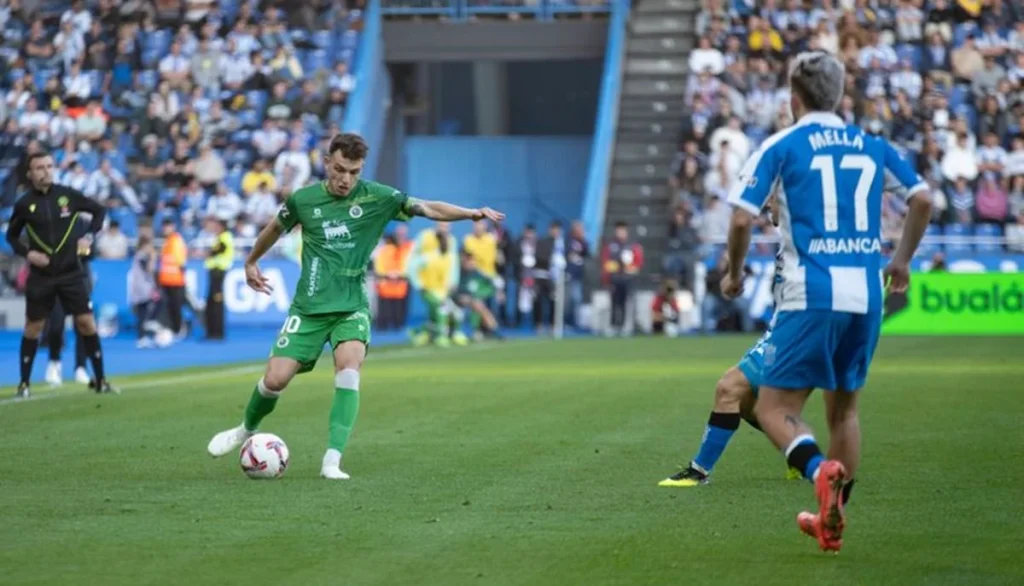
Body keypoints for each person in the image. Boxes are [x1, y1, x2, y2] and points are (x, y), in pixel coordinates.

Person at [720, 51, 932, 552]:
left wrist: (732, 275)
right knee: (845, 413)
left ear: (795, 98)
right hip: (866, 293)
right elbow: (922, 198)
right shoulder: (872, 144)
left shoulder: (782, 144)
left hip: (810, 291)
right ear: (840, 96)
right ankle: (831, 521)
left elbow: (740, 218)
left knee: (774, 408)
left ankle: (818, 470)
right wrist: (900, 261)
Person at [206, 133, 505, 479]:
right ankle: (245, 429)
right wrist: (250, 262)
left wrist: (470, 213)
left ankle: (332, 460)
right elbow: (275, 227)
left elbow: (427, 207)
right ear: (327, 163)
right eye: (339, 169)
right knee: (274, 380)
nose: (346, 178)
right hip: (308, 308)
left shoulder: (379, 197)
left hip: (351, 306)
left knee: (349, 367)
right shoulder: (304, 200)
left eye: (354, 171)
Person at [5, 151, 116, 397]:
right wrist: (27, 253)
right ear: (30, 173)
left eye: (48, 166)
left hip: (71, 273)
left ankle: (100, 380)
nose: (45, 171)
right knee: (34, 327)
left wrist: (88, 236)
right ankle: (24, 384)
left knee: (86, 323)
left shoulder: (67, 196)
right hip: (41, 276)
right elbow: (11, 236)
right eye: (39, 168)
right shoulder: (24, 204)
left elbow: (99, 212)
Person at [43, 216, 94, 387]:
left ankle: (81, 367)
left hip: (78, 281)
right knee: (56, 325)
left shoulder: (83, 224)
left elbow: (91, 252)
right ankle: (54, 362)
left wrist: (82, 249)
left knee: (82, 326)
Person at [203, 217, 234, 340]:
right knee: (212, 302)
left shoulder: (225, 237)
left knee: (216, 302)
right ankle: (212, 331)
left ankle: (217, 332)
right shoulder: (221, 238)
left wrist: (209, 253)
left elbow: (218, 250)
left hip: (218, 272)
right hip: (215, 272)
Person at [158, 217, 188, 339]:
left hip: (175, 280)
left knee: (176, 306)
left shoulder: (176, 240)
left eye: (168, 226)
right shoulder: (167, 241)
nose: (165, 229)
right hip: (166, 279)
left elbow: (181, 260)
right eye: (164, 226)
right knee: (170, 307)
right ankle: (174, 328)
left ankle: (178, 329)